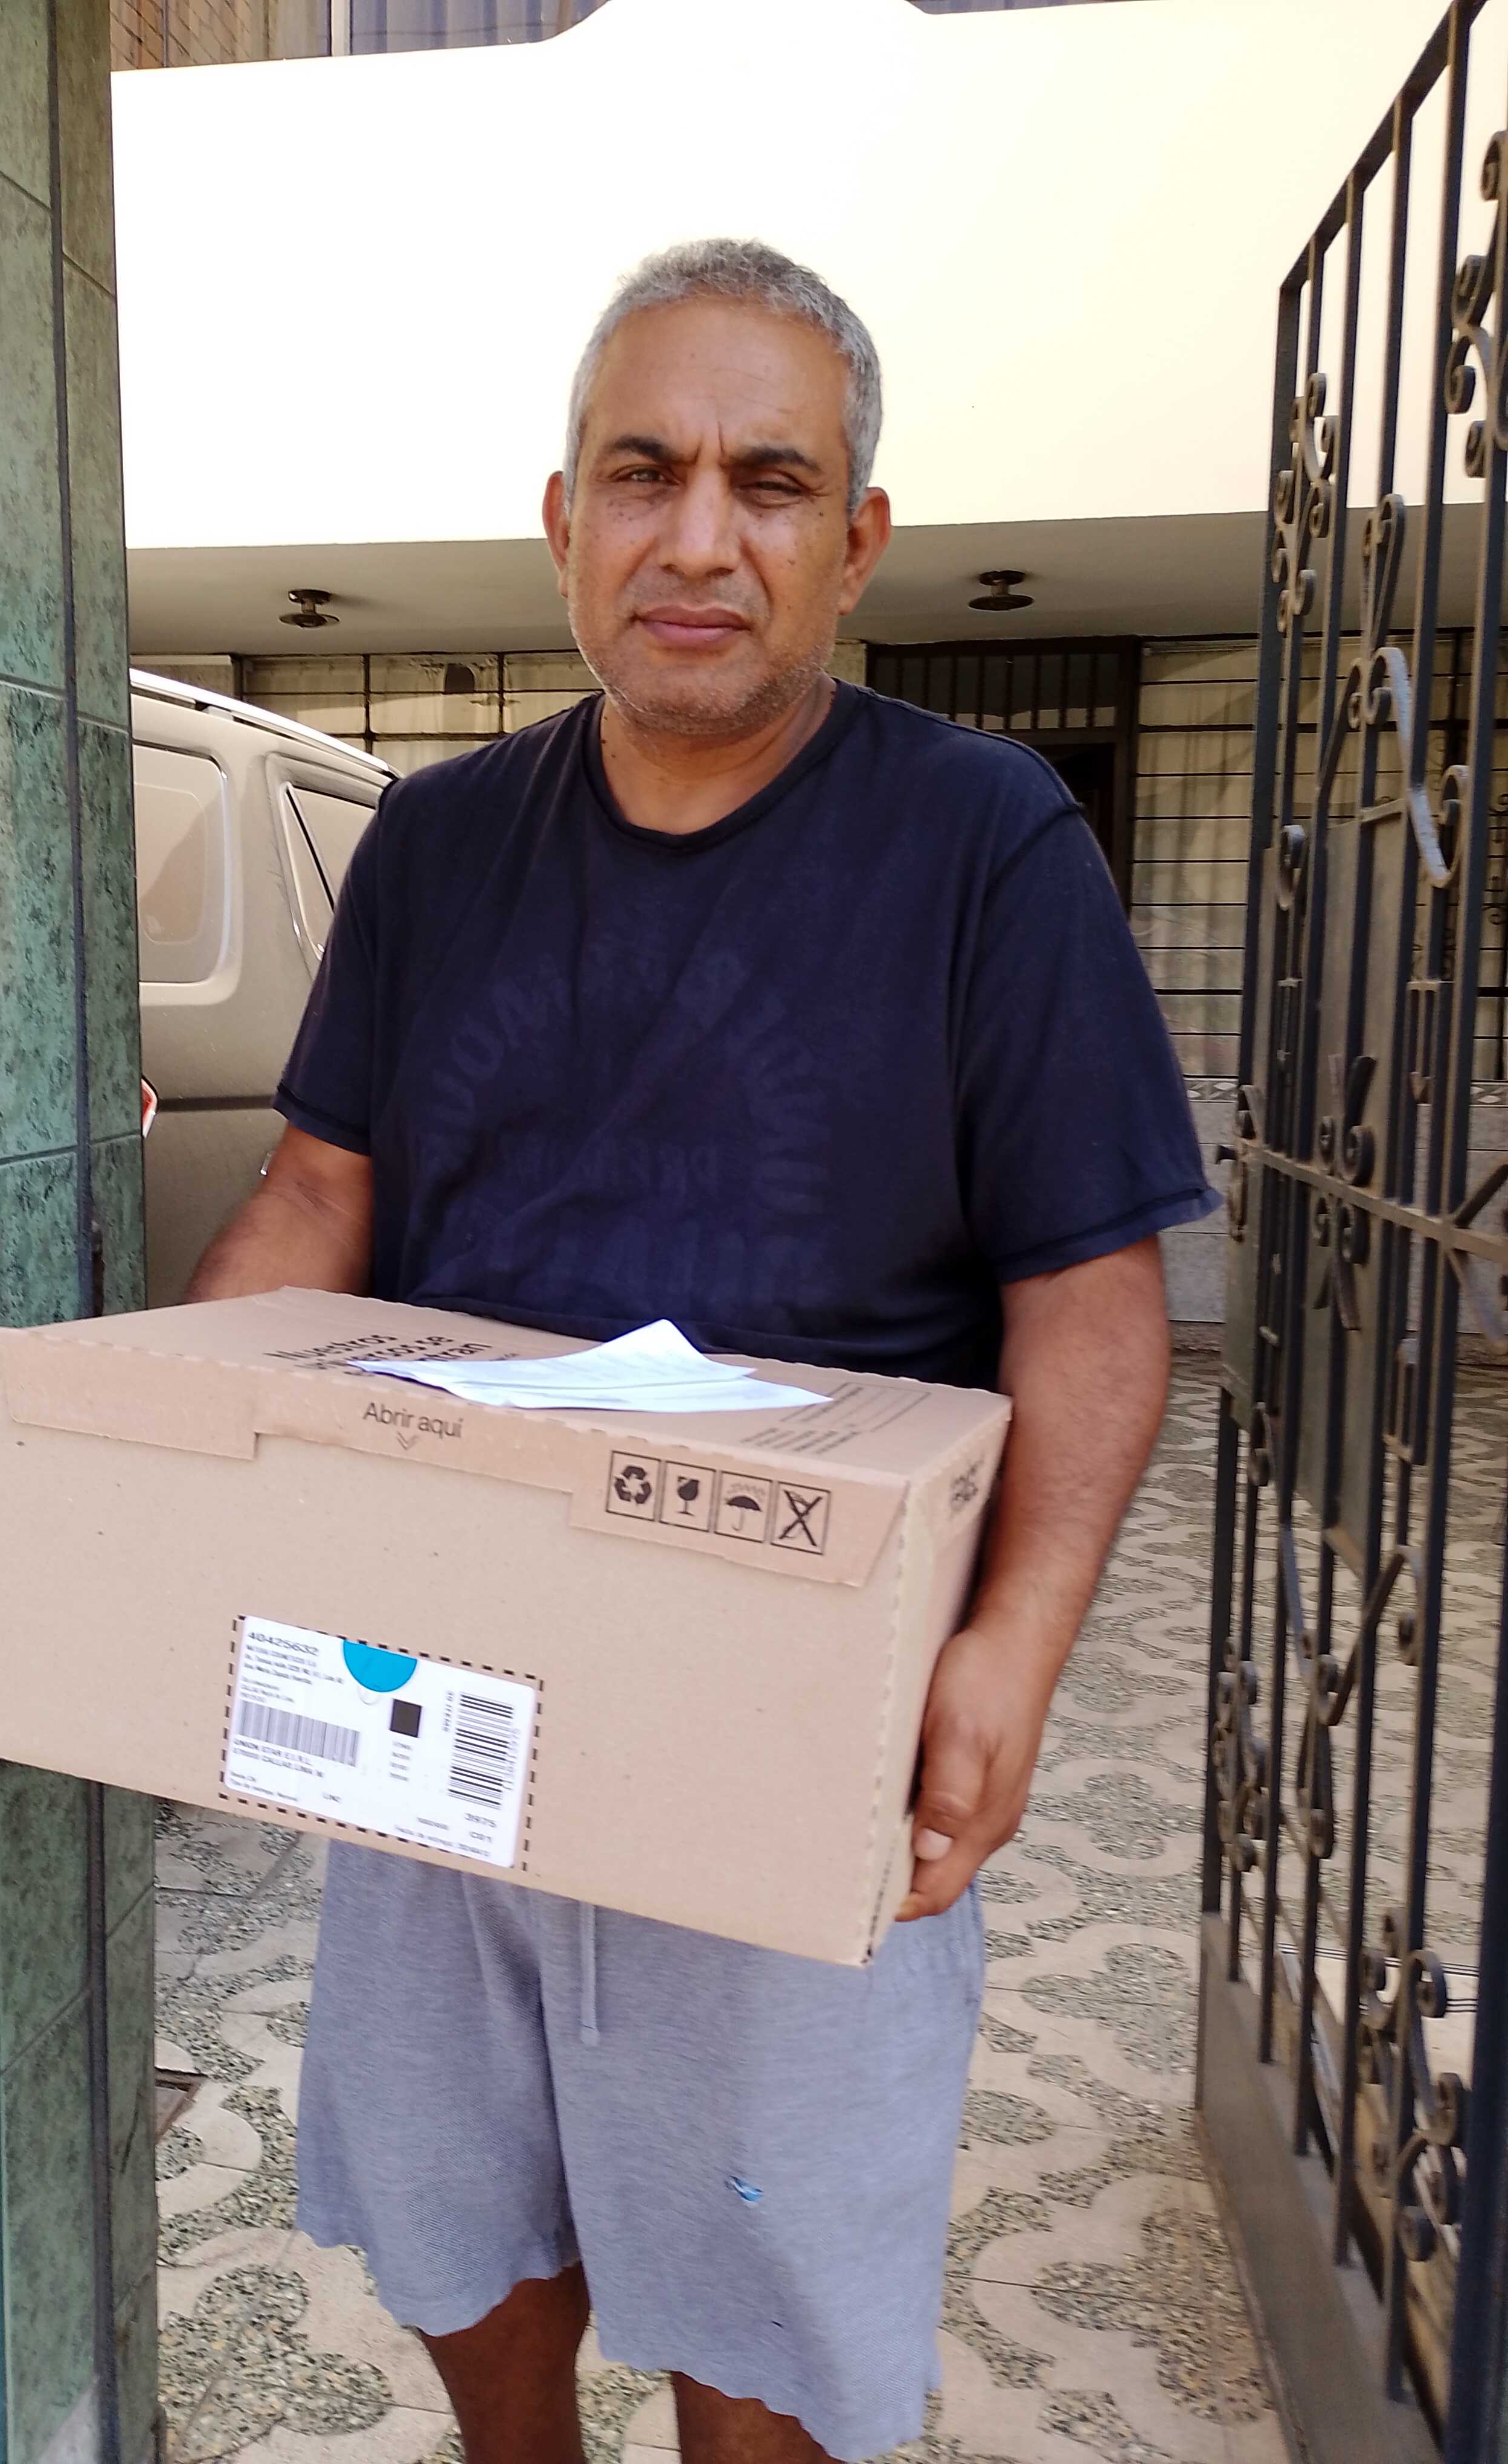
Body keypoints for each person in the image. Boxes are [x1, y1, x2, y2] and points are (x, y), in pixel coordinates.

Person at [187, 237, 1216, 2464]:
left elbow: (1093, 1299)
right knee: (458, 2211)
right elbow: (320, 1194)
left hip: (796, 1693)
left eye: (771, 481)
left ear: (858, 539)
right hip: (436, 1658)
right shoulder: (441, 846)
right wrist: (183, 1469)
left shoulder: (983, 846)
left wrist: (1017, 1644)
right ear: (565, 521)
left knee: (761, 2276)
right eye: (644, 474)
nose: (699, 537)